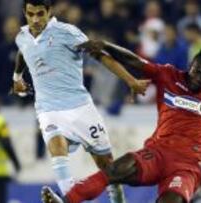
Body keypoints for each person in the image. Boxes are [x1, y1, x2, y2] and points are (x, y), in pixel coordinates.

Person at [41, 40, 201, 203]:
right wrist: (106, 45)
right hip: (157, 153)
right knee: (114, 170)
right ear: (191, 65)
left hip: (186, 166)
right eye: (198, 69)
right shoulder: (168, 75)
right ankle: (68, 200)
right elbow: (135, 61)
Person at [11, 0, 147, 202]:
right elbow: (24, 52)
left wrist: (131, 80)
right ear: (25, 13)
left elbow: (100, 56)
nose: (35, 19)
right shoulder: (22, 37)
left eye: (40, 14)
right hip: (48, 110)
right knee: (56, 147)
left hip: (81, 108)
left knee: (108, 166)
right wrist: (17, 78)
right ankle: (69, 198)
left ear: (49, 12)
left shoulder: (68, 32)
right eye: (30, 14)